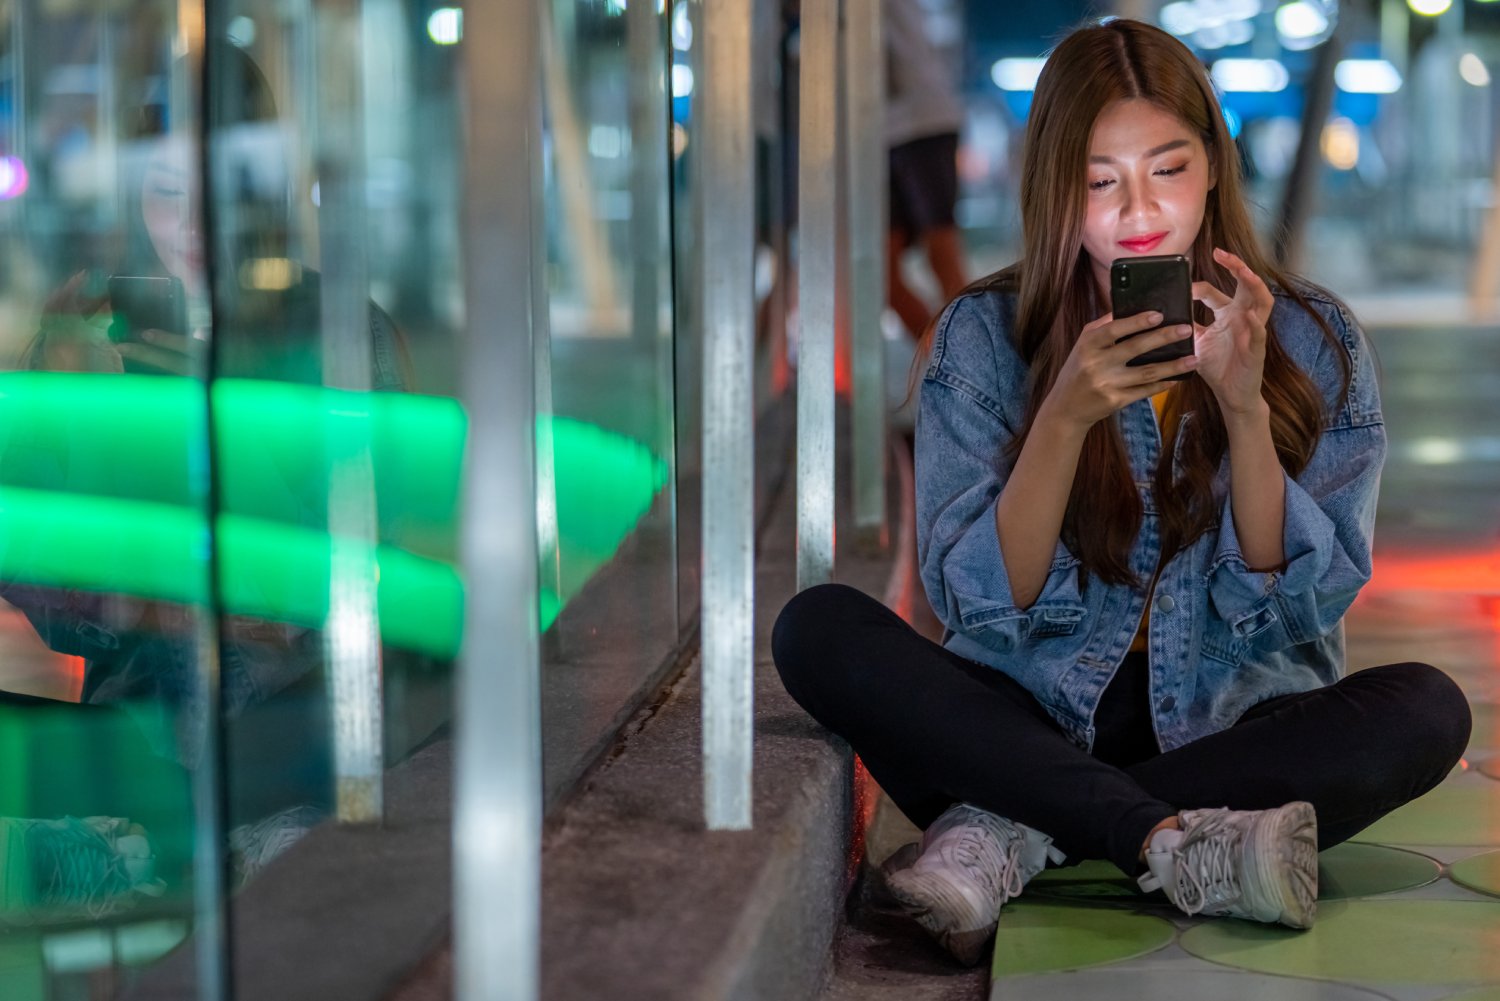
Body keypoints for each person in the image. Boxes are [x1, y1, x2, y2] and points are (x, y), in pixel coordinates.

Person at [771, 18, 1471, 967]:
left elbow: (1290, 606)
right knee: (817, 627)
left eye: (1168, 169)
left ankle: (1020, 831)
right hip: (1023, 716)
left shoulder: (1312, 338)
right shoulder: (984, 338)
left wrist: (1245, 405)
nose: (1138, 209)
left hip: (1227, 725)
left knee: (1427, 707)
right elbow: (984, 604)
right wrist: (1061, 418)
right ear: (1057, 189)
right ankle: (1174, 845)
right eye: (1101, 181)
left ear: (1215, 168)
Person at [884, 0, 967, 340]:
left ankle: (976, 369)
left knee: (942, 255)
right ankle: (947, 365)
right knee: (881, 276)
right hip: (878, 133)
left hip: (924, 120)